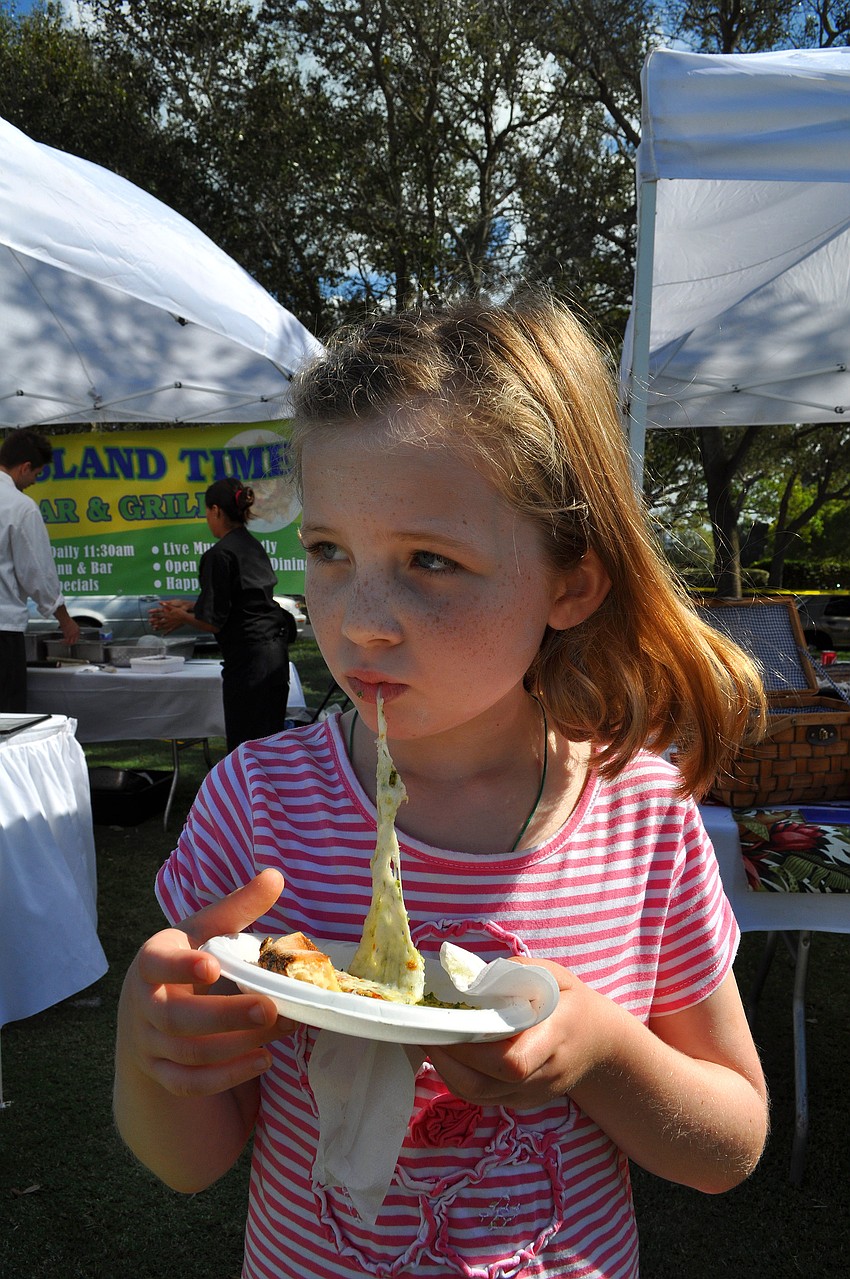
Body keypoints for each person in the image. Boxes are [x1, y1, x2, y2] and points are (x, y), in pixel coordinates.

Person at [114, 296, 770, 1279]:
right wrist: (151, 1030)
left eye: (430, 559)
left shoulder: (641, 816)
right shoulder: (258, 806)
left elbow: (728, 1145)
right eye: (331, 552)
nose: (363, 621)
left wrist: (598, 1050)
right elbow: (191, 1160)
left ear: (569, 582)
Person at [149, 476, 296, 752]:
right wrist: (189, 604)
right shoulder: (252, 545)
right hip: (274, 658)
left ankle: (247, 795)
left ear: (216, 510)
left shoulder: (219, 554)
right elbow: (242, 598)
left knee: (247, 746)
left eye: (206, 512)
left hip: (250, 664)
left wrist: (181, 617)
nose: (207, 518)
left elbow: (211, 622)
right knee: (270, 745)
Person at [0, 427, 80, 711]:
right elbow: (37, 571)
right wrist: (64, 618)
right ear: (24, 468)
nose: (34, 482)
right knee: (6, 723)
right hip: (3, 630)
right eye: (36, 474)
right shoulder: (20, 507)